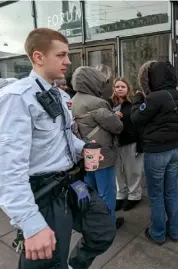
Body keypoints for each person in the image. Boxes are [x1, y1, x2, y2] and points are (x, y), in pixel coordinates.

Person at [0, 28, 115, 269]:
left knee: (103, 230)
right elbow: (7, 170)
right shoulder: (17, 98)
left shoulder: (59, 96)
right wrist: (31, 223)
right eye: (61, 55)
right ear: (39, 57)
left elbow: (64, 138)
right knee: (48, 260)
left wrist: (84, 147)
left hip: (71, 182)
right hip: (43, 192)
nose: (68, 61)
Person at [130, 60, 178, 245]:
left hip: (157, 153)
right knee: (171, 192)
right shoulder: (177, 94)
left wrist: (137, 100)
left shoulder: (155, 98)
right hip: (174, 150)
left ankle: (158, 232)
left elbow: (137, 118)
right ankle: (175, 231)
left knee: (155, 194)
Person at [71, 66, 125, 229]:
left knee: (90, 189)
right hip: (102, 154)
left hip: (85, 153)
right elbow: (117, 127)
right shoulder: (97, 102)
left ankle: (91, 221)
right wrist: (115, 117)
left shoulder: (72, 100)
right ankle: (108, 224)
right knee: (107, 192)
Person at [108, 77, 143, 212]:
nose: (120, 89)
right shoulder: (109, 103)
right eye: (117, 87)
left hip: (131, 141)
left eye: (123, 86)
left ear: (128, 88)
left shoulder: (134, 103)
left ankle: (134, 195)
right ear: (114, 89)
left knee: (132, 170)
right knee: (117, 171)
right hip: (114, 142)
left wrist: (140, 143)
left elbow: (139, 124)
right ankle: (120, 194)